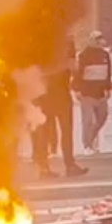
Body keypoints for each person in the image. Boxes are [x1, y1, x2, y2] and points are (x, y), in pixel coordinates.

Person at [33, 34, 77, 177]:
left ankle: (45, 167)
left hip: (48, 93)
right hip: (57, 93)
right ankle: (68, 165)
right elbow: (73, 67)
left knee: (46, 131)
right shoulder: (66, 44)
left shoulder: (40, 44)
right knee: (64, 130)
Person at [73, 34, 112, 158]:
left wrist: (107, 88)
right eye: (98, 39)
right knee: (88, 120)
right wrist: (77, 89)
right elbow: (78, 72)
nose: (101, 41)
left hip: (101, 92)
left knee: (103, 116)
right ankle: (87, 145)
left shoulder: (105, 54)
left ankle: (90, 138)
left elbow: (108, 73)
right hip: (87, 92)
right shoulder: (84, 55)